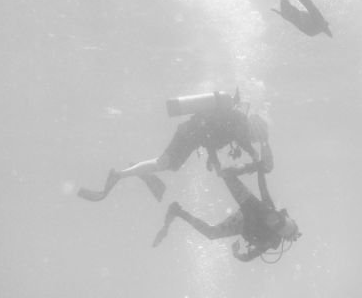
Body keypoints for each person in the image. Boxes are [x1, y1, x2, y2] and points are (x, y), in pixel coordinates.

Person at [77, 93, 271, 203]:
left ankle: (128, 172)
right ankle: (120, 174)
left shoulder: (237, 124)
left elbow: (215, 136)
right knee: (164, 163)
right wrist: (217, 162)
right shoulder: (239, 125)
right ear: (254, 127)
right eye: (256, 137)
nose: (253, 140)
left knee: (167, 164)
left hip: (190, 134)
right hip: (189, 135)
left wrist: (219, 159)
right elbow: (212, 139)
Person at [153, 163, 299, 262]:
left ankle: (178, 211)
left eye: (278, 225)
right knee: (227, 177)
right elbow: (247, 258)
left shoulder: (270, 237)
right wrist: (258, 167)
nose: (274, 221)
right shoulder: (270, 234)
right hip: (246, 212)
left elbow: (263, 188)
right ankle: (179, 211)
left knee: (212, 232)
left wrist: (259, 167)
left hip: (245, 213)